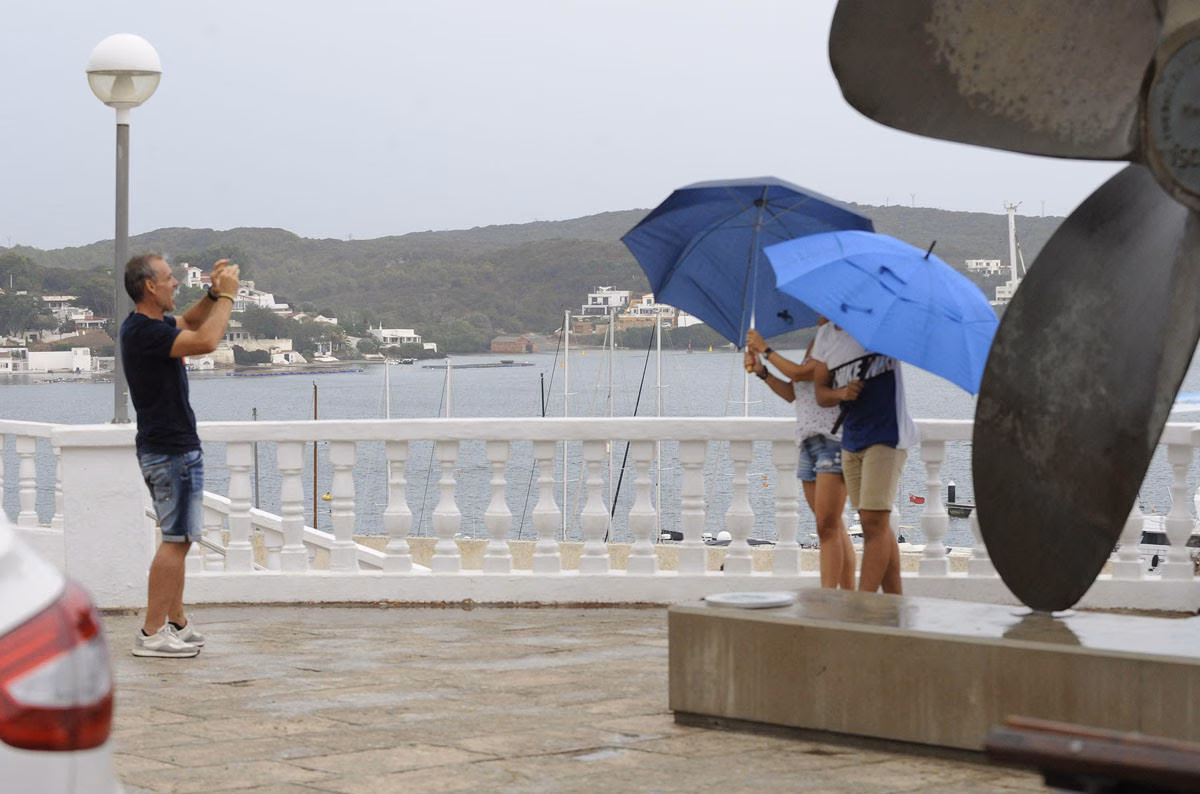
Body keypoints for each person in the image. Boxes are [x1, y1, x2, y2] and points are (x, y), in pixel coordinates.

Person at [122, 254, 240, 657]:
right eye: (170, 279)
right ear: (150, 287)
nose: (176, 284)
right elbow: (206, 340)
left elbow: (190, 322)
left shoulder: (146, 328)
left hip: (164, 446)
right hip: (171, 450)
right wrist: (227, 297)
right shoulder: (144, 332)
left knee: (178, 537)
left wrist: (210, 295)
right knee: (177, 540)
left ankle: (176, 621)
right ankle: (152, 632)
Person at [745, 324, 855, 589]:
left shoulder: (843, 340)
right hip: (808, 441)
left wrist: (765, 349)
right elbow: (794, 392)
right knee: (830, 525)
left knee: (828, 526)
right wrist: (762, 372)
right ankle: (846, 595)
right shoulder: (818, 340)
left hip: (833, 439)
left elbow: (803, 372)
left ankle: (836, 597)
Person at [810, 323, 917, 594]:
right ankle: (895, 602)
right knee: (874, 524)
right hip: (851, 439)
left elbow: (909, 340)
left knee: (873, 522)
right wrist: (841, 393)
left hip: (887, 436)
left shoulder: (880, 326)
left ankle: (863, 605)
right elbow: (821, 392)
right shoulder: (825, 337)